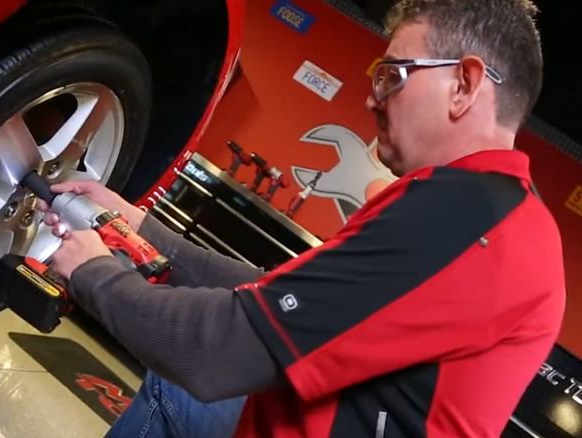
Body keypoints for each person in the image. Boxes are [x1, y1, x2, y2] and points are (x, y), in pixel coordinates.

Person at [37, 0, 566, 436]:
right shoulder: (497, 215)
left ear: (464, 85)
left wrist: (91, 271)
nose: (371, 97)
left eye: (392, 75)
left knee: (180, 386)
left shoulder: (464, 213)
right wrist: (139, 230)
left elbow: (211, 353)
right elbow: (281, 303)